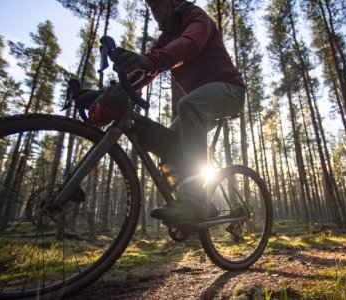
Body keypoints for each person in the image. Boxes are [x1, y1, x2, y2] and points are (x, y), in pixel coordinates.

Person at [85, 0, 246, 225]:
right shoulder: (166, 38)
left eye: (158, 4)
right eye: (151, 8)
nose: (155, 12)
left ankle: (193, 198)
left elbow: (190, 43)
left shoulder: (196, 16)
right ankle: (198, 207)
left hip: (230, 91)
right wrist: (101, 94)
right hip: (201, 101)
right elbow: (146, 71)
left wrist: (150, 60)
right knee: (167, 145)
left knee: (188, 104)